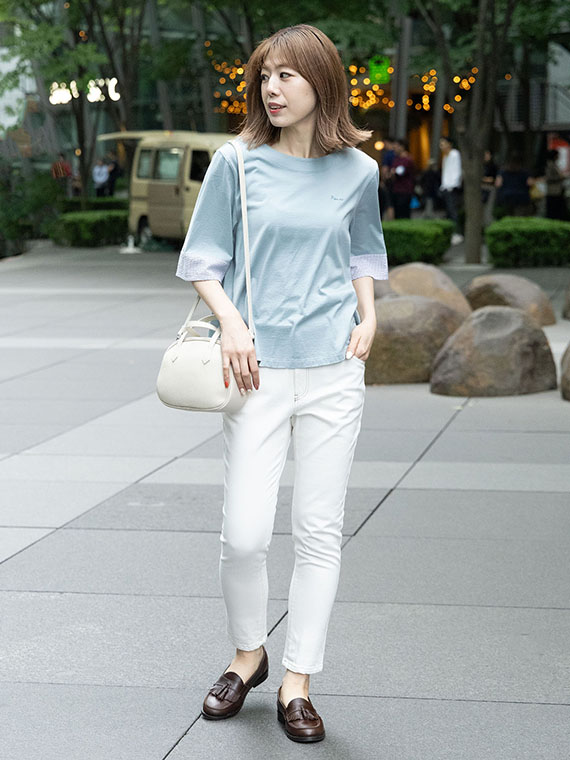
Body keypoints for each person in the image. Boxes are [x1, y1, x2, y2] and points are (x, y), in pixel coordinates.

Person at [175, 23, 388, 743]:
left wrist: (368, 315)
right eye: (264, 75)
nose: (272, 87)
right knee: (243, 535)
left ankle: (298, 680)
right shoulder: (236, 163)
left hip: (334, 371)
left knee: (319, 531)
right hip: (256, 372)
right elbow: (202, 260)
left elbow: (363, 250)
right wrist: (233, 324)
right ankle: (248, 656)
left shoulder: (358, 170)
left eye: (287, 75)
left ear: (321, 82)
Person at [439, 136, 463, 243]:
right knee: (448, 211)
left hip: (452, 188)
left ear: (449, 144)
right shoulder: (445, 157)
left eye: (443, 144)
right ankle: (451, 233)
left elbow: (457, 171)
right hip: (446, 187)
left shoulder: (455, 154)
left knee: (453, 211)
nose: (441, 146)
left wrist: (452, 185)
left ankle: (457, 233)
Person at [495, 152, 533, 217]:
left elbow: (498, 184)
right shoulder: (525, 173)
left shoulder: (502, 172)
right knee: (519, 217)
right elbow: (530, 183)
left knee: (506, 216)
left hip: (505, 198)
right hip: (522, 198)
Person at [390, 138, 415, 219]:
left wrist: (393, 172)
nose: (394, 149)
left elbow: (399, 172)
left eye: (396, 146)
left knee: (404, 214)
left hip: (405, 190)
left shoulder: (407, 159)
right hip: (396, 190)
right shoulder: (396, 159)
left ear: (402, 147)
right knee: (397, 214)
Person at [544, 149, 568, 220]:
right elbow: (549, 177)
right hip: (553, 191)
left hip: (557, 190)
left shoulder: (554, 164)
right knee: (554, 209)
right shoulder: (550, 165)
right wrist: (561, 177)